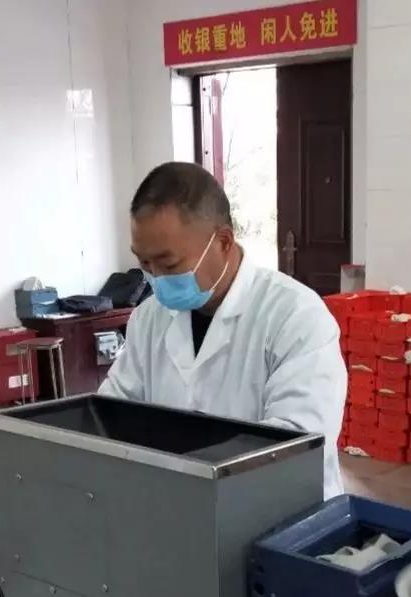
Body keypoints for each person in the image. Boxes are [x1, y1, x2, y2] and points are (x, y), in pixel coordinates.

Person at [99, 162, 347, 498]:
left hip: (278, 507)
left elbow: (295, 444)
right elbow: (111, 412)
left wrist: (192, 471)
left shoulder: (296, 316)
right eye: (144, 264)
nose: (155, 277)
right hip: (178, 502)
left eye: (169, 264)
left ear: (223, 242)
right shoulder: (148, 319)